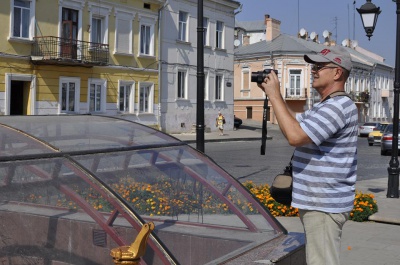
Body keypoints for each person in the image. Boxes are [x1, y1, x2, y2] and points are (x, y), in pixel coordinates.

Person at [258, 46, 358, 265]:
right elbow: (291, 126)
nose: (313, 70)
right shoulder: (326, 106)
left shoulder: (339, 106)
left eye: (319, 66)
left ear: (337, 73)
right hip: (320, 204)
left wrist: (275, 95)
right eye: (313, 66)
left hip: (324, 206)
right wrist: (275, 97)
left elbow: (295, 136)